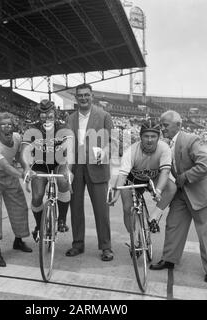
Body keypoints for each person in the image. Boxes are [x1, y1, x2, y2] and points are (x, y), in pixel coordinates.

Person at [150, 110, 207, 284]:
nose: (162, 128)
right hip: (183, 192)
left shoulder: (190, 139)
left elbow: (205, 164)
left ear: (178, 125)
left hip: (202, 193)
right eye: (161, 125)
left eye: (165, 125)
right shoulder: (166, 145)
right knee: (173, 224)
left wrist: (185, 177)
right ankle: (169, 259)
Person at [65, 83, 116, 261]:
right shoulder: (70, 119)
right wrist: (67, 169)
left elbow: (113, 142)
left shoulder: (104, 116)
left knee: (101, 210)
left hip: (98, 167)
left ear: (92, 96)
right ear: (76, 97)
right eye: (80, 95)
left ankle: (106, 247)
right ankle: (77, 244)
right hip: (77, 167)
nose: (83, 98)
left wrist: (106, 152)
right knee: (76, 207)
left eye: (87, 95)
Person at [107, 119, 176, 234]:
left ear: (159, 137)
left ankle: (152, 218)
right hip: (132, 179)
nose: (149, 140)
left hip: (152, 179)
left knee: (171, 188)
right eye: (146, 136)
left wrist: (158, 190)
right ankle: (134, 237)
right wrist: (116, 195)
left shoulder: (164, 148)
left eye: (153, 136)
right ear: (140, 137)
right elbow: (123, 175)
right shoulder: (131, 151)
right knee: (127, 209)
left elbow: (165, 172)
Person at [0, 112, 32, 267]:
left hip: (10, 177)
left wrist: (27, 168)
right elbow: (5, 166)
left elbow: (19, 157)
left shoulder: (17, 138)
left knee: (20, 208)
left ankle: (18, 241)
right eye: (3, 125)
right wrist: (22, 175)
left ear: (13, 127)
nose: (7, 127)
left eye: (9, 124)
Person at [21, 100, 72, 242]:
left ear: (54, 113)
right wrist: (26, 167)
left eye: (49, 113)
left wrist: (68, 169)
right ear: (39, 115)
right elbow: (24, 151)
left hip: (58, 162)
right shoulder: (32, 129)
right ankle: (39, 226)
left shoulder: (63, 127)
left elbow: (70, 149)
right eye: (43, 114)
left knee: (63, 181)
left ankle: (62, 219)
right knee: (37, 196)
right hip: (40, 164)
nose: (46, 116)